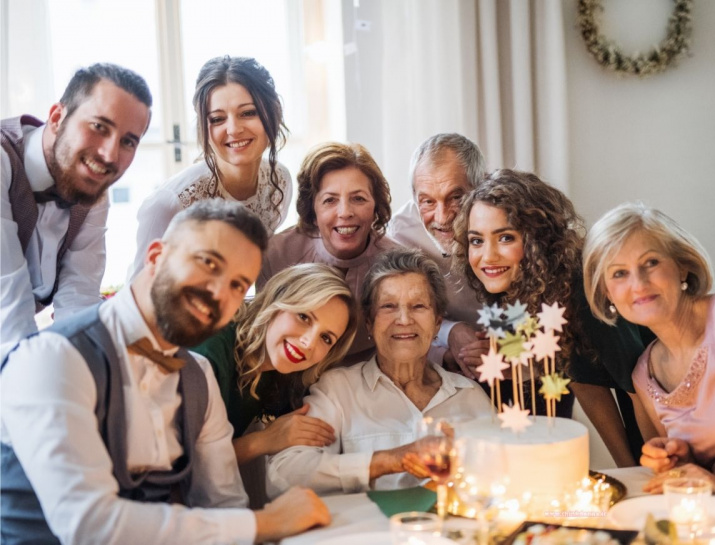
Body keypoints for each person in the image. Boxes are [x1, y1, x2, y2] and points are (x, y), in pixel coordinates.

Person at [0, 200, 330, 544]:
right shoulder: (53, 358)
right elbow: (89, 525)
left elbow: (225, 503)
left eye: (237, 285)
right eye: (208, 263)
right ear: (155, 256)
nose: (219, 292)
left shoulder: (198, 376)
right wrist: (265, 523)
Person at [583, 202, 715, 499]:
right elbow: (696, 476)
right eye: (619, 274)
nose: (639, 284)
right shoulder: (644, 375)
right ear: (606, 292)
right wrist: (679, 460)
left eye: (651, 263)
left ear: (682, 264)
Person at [451, 170, 655, 467]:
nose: (488, 256)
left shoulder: (585, 290)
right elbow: (586, 384)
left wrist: (650, 473)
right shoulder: (531, 292)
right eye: (476, 240)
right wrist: (627, 468)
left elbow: (640, 391)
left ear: (538, 240)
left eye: (505, 237)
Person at [266, 248, 494, 497]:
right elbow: (282, 476)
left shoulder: (470, 395)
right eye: (388, 306)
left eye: (418, 306)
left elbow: (502, 477)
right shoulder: (338, 390)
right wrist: (384, 461)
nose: (404, 319)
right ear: (369, 322)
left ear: (437, 322)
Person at [1, 63, 152, 359]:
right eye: (99, 127)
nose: (109, 154)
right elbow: (8, 311)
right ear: (57, 118)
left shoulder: (91, 188)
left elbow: (78, 301)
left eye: (128, 141)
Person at [131, 55, 292, 281]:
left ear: (274, 113)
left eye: (248, 113)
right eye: (217, 119)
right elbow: (138, 291)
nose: (234, 129)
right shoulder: (170, 203)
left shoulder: (280, 182)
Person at [193, 262, 358, 464]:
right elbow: (178, 466)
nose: (308, 343)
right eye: (303, 316)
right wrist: (262, 441)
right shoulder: (209, 349)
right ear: (276, 301)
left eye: (326, 338)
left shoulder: (278, 375)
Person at [262, 141, 398, 363]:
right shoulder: (276, 254)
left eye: (358, 198)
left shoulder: (399, 265)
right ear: (312, 210)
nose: (345, 212)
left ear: (375, 207)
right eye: (330, 200)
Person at [387, 133, 486, 372]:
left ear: (481, 186)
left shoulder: (512, 217)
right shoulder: (400, 234)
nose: (442, 218)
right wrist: (450, 332)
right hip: (454, 368)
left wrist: (508, 347)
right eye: (427, 202)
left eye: (455, 197)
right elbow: (402, 315)